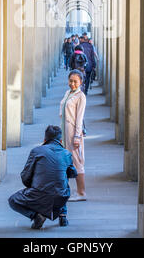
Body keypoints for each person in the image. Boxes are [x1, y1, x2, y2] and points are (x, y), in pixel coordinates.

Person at [8, 125, 77, 229]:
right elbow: (73, 173)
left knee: (12, 200)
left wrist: (33, 185)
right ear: (61, 140)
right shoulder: (66, 154)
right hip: (61, 196)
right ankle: (63, 215)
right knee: (62, 179)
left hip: (39, 194)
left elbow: (25, 176)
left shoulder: (37, 151)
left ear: (44, 139)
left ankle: (36, 216)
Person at [60, 70, 87, 201]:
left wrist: (77, 136)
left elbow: (79, 118)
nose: (72, 84)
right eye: (71, 81)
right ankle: (66, 190)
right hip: (65, 131)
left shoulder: (81, 96)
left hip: (73, 132)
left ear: (81, 82)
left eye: (75, 81)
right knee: (66, 161)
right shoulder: (67, 93)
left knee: (77, 161)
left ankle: (81, 192)